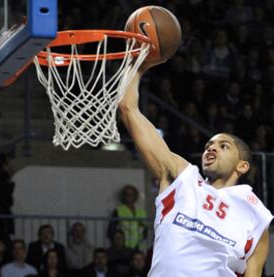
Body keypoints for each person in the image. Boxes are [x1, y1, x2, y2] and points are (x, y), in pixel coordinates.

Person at [118, 66, 273, 276]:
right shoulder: (183, 178)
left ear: (242, 166)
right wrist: (137, 65)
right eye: (209, 145)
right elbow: (128, 109)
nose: (212, 148)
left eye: (223, 146)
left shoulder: (257, 216)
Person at [108, 185, 147, 250]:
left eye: (132, 194)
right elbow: (111, 229)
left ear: (135, 196)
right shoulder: (118, 210)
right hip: (122, 246)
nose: (129, 197)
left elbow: (145, 229)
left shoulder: (141, 212)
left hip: (138, 244)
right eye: (127, 194)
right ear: (123, 196)